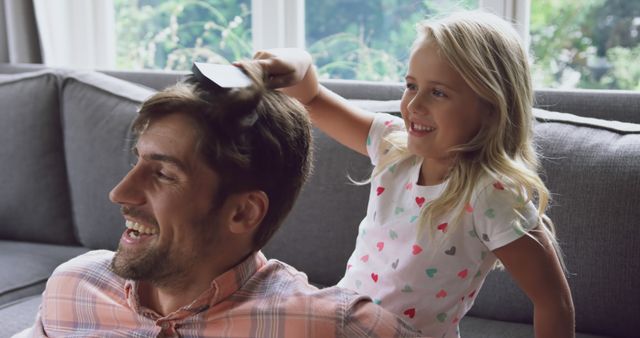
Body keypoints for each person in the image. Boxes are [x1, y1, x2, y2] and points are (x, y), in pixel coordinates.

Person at [24, 62, 422, 337]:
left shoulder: (327, 324)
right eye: (137, 160)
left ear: (243, 212)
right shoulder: (73, 288)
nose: (120, 193)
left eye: (163, 173)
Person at [250, 10, 575, 338]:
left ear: (490, 108)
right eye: (411, 85)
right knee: (261, 281)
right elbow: (312, 96)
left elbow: (554, 302)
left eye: (438, 93)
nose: (413, 104)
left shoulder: (492, 193)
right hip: (345, 322)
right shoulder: (394, 146)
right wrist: (294, 61)